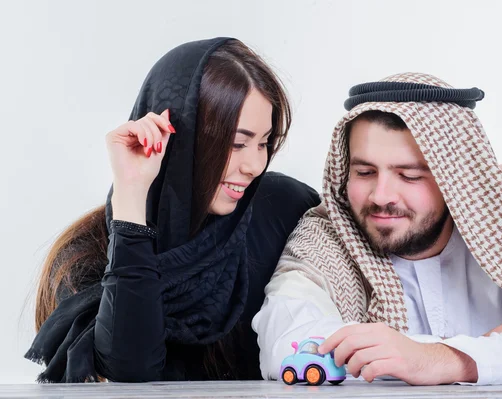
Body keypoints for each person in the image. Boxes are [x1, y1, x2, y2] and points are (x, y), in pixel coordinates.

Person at [252, 72, 502, 385]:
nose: (382, 195)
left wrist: (445, 361)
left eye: (410, 175)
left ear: (455, 178)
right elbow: (289, 342)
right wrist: (487, 352)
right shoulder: (326, 237)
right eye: (364, 172)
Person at [25, 38, 321, 383]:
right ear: (184, 139)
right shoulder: (84, 257)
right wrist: (132, 197)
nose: (255, 164)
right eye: (237, 143)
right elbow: (129, 370)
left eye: (264, 143)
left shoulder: (284, 210)